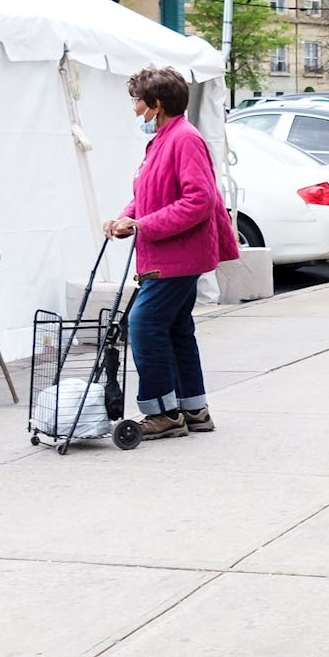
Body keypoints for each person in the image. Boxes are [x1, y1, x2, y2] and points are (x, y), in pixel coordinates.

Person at [104, 66, 238, 440]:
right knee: (177, 329)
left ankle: (162, 413)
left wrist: (144, 225)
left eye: (137, 101)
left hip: (176, 255)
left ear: (156, 104)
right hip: (168, 254)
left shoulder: (183, 139)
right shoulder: (164, 139)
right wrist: (125, 218)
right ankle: (193, 409)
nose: (134, 108)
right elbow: (147, 194)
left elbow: (199, 199)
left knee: (144, 326)